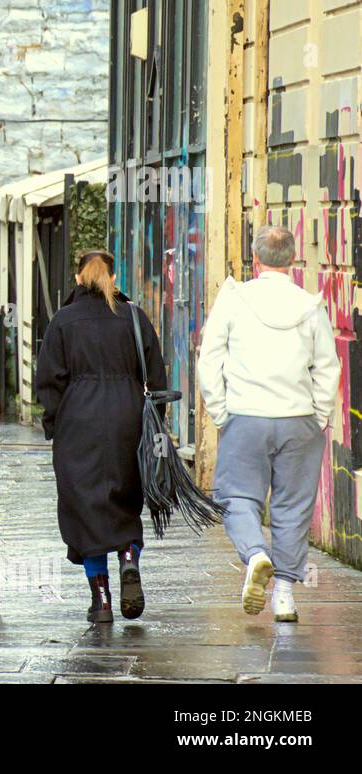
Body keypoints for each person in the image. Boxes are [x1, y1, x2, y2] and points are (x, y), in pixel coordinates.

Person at [198, 226, 338, 623]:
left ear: (255, 259)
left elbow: (210, 359)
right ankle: (285, 597)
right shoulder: (310, 306)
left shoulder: (233, 299)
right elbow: (327, 366)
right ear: (292, 260)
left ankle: (256, 554)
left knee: (237, 497)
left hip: (246, 416)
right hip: (298, 420)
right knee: (293, 507)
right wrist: (319, 415)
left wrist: (221, 411)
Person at [35, 249, 166, 624]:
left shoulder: (63, 321)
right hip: (128, 417)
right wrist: (154, 423)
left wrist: (53, 425)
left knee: (83, 506)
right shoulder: (134, 317)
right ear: (114, 278)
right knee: (126, 496)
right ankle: (128, 557)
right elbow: (156, 376)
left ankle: (102, 599)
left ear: (78, 278)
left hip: (78, 422)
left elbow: (49, 381)